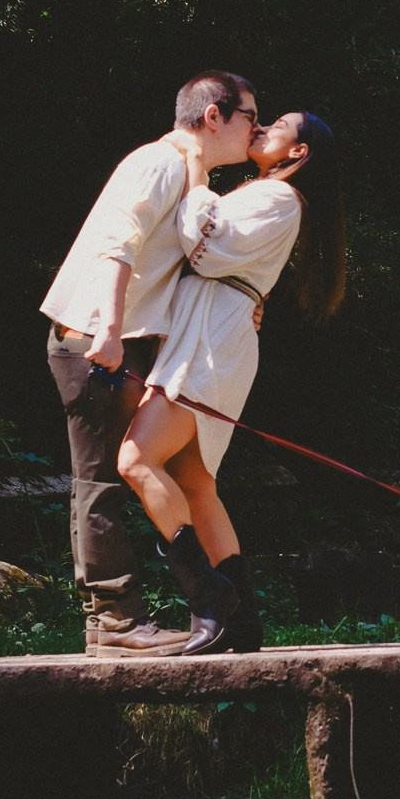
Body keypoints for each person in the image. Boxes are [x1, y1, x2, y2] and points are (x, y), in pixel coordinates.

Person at [40, 71, 261, 658]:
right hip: (95, 339)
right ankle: (115, 623)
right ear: (214, 115)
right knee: (98, 483)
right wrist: (109, 329)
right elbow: (117, 244)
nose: (256, 132)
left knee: (118, 476)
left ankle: (133, 620)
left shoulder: (188, 175)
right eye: (250, 118)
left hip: (127, 341)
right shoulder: (157, 162)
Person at [118, 111, 347, 655]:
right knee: (196, 484)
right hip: (214, 332)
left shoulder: (280, 199)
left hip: (211, 343)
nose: (264, 126)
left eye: (279, 125)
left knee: (136, 459)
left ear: (298, 153)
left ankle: (209, 601)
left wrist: (197, 168)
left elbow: (207, 243)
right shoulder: (270, 194)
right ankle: (242, 620)